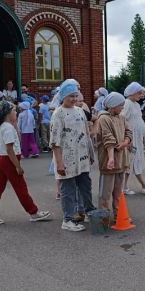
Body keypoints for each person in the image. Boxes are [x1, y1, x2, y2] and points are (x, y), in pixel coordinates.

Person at [0, 100, 51, 226]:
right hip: (9, 159)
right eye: (13, 110)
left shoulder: (3, 126)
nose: (16, 112)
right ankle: (33, 213)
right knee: (20, 187)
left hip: (0, 158)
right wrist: (18, 166)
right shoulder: (8, 128)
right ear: (7, 113)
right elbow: (10, 149)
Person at [50, 80, 96, 232]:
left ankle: (88, 211)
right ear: (63, 96)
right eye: (71, 96)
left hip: (82, 157)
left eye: (76, 95)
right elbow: (55, 142)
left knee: (85, 186)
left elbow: (87, 133)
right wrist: (59, 163)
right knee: (68, 190)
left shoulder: (80, 111)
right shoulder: (58, 114)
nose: (74, 99)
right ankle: (68, 219)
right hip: (67, 159)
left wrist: (90, 152)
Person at [95, 92, 131, 221]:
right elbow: (107, 139)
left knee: (118, 191)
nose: (122, 107)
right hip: (108, 161)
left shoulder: (121, 117)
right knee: (105, 192)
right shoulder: (104, 118)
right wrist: (110, 158)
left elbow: (128, 131)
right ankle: (103, 217)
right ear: (113, 105)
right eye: (121, 105)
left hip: (121, 160)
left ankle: (118, 214)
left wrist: (126, 142)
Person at [122, 82, 145, 195]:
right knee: (133, 161)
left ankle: (124, 187)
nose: (141, 95)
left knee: (132, 162)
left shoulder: (135, 104)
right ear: (133, 92)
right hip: (132, 139)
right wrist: (127, 139)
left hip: (138, 138)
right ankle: (144, 185)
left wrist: (143, 139)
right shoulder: (127, 104)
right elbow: (123, 121)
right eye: (139, 93)